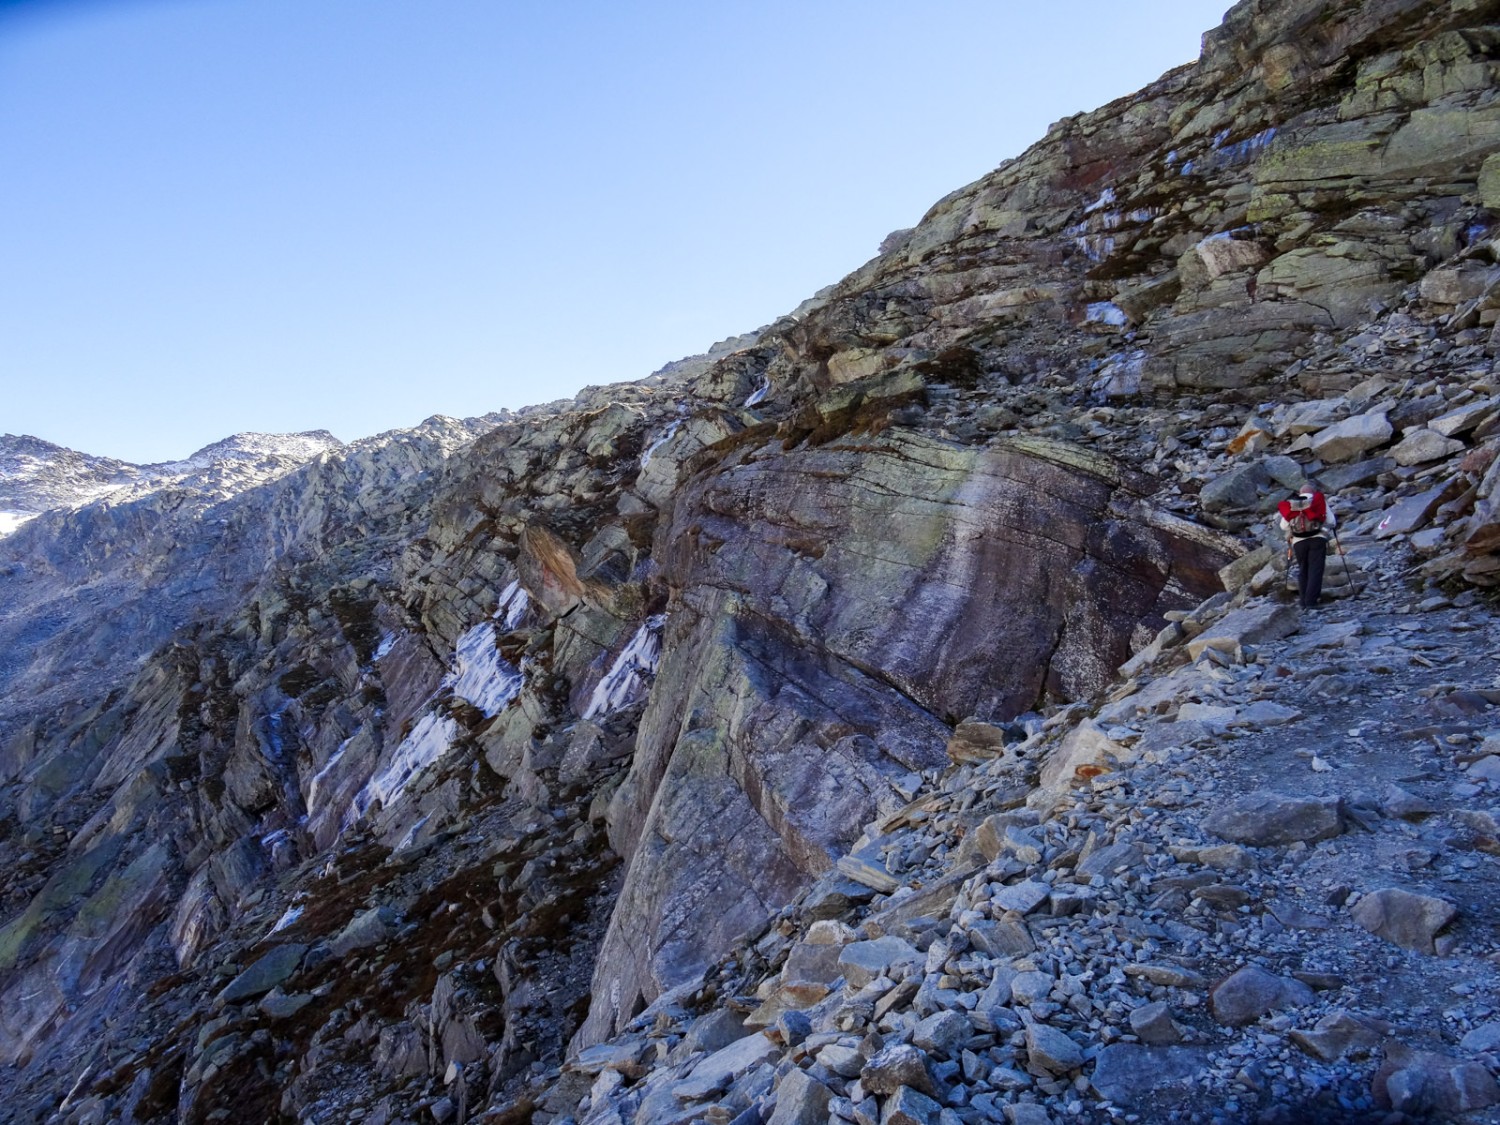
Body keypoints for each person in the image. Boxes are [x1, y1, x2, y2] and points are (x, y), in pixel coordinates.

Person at [1278, 484, 1336, 608]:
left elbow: (1283, 526)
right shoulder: (1317, 501)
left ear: (1300, 493)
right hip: (1317, 538)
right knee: (1315, 569)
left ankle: (1303, 602)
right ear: (1313, 492)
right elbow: (1331, 521)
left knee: (1303, 569)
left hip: (1299, 542)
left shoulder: (1293, 504)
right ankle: (1311, 601)